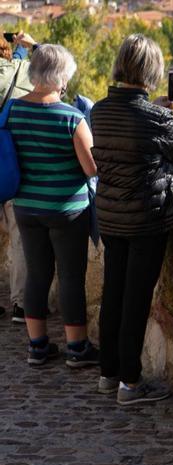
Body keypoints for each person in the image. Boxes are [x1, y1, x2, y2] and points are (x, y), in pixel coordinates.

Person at [90, 34, 173, 405]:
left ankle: (108, 375)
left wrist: (159, 114)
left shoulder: (101, 110)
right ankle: (131, 384)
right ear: (152, 71)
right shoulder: (155, 117)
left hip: (110, 216)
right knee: (136, 300)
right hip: (146, 219)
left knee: (114, 296)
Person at [7, 44, 100, 367]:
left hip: (26, 206)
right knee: (71, 277)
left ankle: (37, 346)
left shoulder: (13, 111)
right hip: (66, 210)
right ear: (61, 78)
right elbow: (92, 168)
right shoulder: (71, 117)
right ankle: (77, 349)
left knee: (37, 274)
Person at [1, 31, 37, 324]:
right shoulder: (23, 70)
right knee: (19, 235)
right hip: (14, 162)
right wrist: (30, 47)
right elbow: (58, 70)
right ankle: (20, 304)